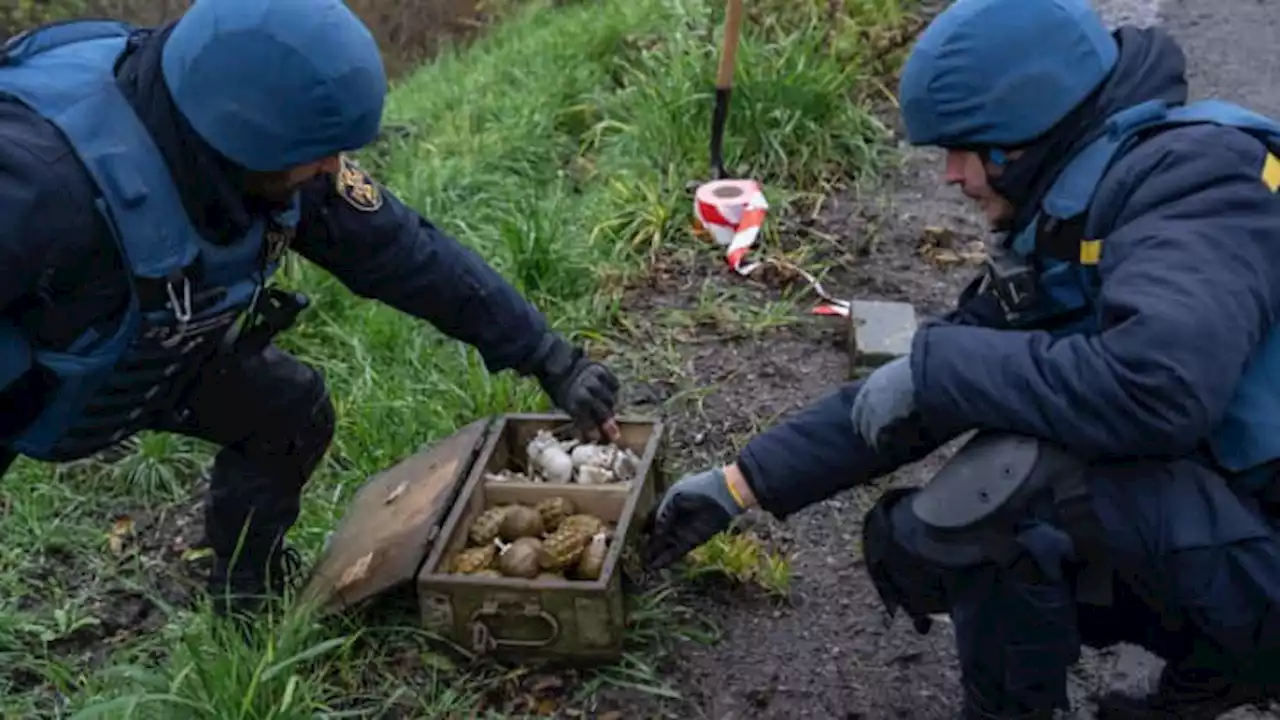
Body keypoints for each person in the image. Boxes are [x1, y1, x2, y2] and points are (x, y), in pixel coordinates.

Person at [642, 0, 1280, 717]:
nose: (949, 175)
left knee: (1003, 500)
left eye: (961, 148)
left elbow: (1155, 391)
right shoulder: (1078, 203)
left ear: (1023, 135)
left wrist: (940, 369)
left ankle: (1232, 658)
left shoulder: (1198, 182)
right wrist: (738, 485)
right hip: (1243, 502)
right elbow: (922, 386)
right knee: (919, 532)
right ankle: (1215, 672)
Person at [0, 0, 621, 620]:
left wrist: (548, 356)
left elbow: (407, 254)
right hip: (26, 383)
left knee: (287, 411)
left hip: (148, 353)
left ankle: (246, 600)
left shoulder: (265, 150)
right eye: (319, 153)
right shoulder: (38, 193)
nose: (332, 167)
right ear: (237, 133)